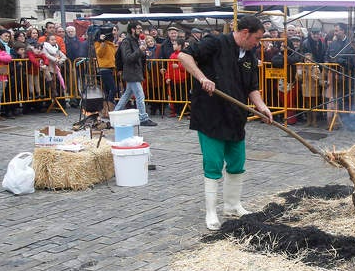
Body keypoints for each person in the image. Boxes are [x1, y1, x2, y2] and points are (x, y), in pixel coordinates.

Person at [177, 15, 273, 230]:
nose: (258, 43)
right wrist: (202, 78)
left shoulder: (249, 55)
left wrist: (262, 106)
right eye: (257, 38)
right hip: (211, 115)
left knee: (237, 164)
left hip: (235, 116)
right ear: (246, 32)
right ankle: (211, 212)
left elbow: (252, 87)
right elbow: (184, 56)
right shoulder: (215, 42)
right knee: (213, 165)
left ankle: (232, 205)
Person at [114, 22, 157, 127]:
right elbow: (128, 58)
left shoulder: (135, 41)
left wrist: (143, 53)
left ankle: (115, 113)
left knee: (127, 95)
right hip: (131, 72)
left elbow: (137, 56)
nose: (141, 30)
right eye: (138, 28)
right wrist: (140, 50)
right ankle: (143, 118)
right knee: (140, 95)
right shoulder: (126, 42)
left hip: (135, 72)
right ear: (132, 29)